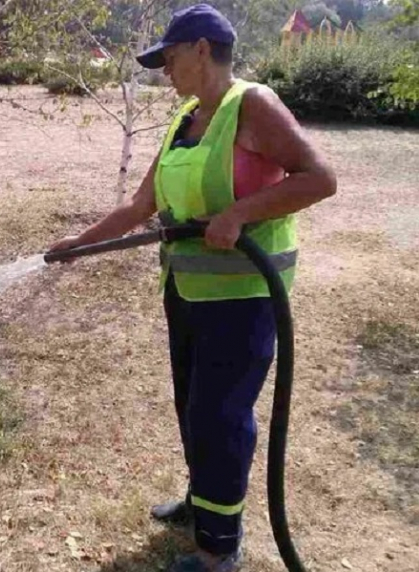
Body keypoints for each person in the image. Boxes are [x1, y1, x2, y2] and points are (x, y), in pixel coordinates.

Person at [48, 4, 337, 572]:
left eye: (170, 58)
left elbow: (319, 178)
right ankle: (205, 501)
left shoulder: (252, 105)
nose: (164, 71)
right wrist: (77, 245)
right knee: (192, 405)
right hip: (187, 291)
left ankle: (219, 548)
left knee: (221, 416)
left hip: (245, 298)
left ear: (202, 50)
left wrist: (240, 214)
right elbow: (142, 203)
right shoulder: (186, 116)